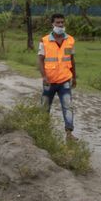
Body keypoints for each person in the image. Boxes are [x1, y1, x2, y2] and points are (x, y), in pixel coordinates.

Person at [38, 13, 77, 141]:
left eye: (62, 22)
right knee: (45, 106)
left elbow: (71, 59)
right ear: (52, 24)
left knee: (68, 106)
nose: (60, 25)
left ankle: (69, 133)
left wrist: (74, 77)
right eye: (58, 23)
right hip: (49, 81)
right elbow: (40, 60)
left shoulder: (70, 40)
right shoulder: (44, 41)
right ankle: (42, 129)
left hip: (65, 80)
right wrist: (44, 76)